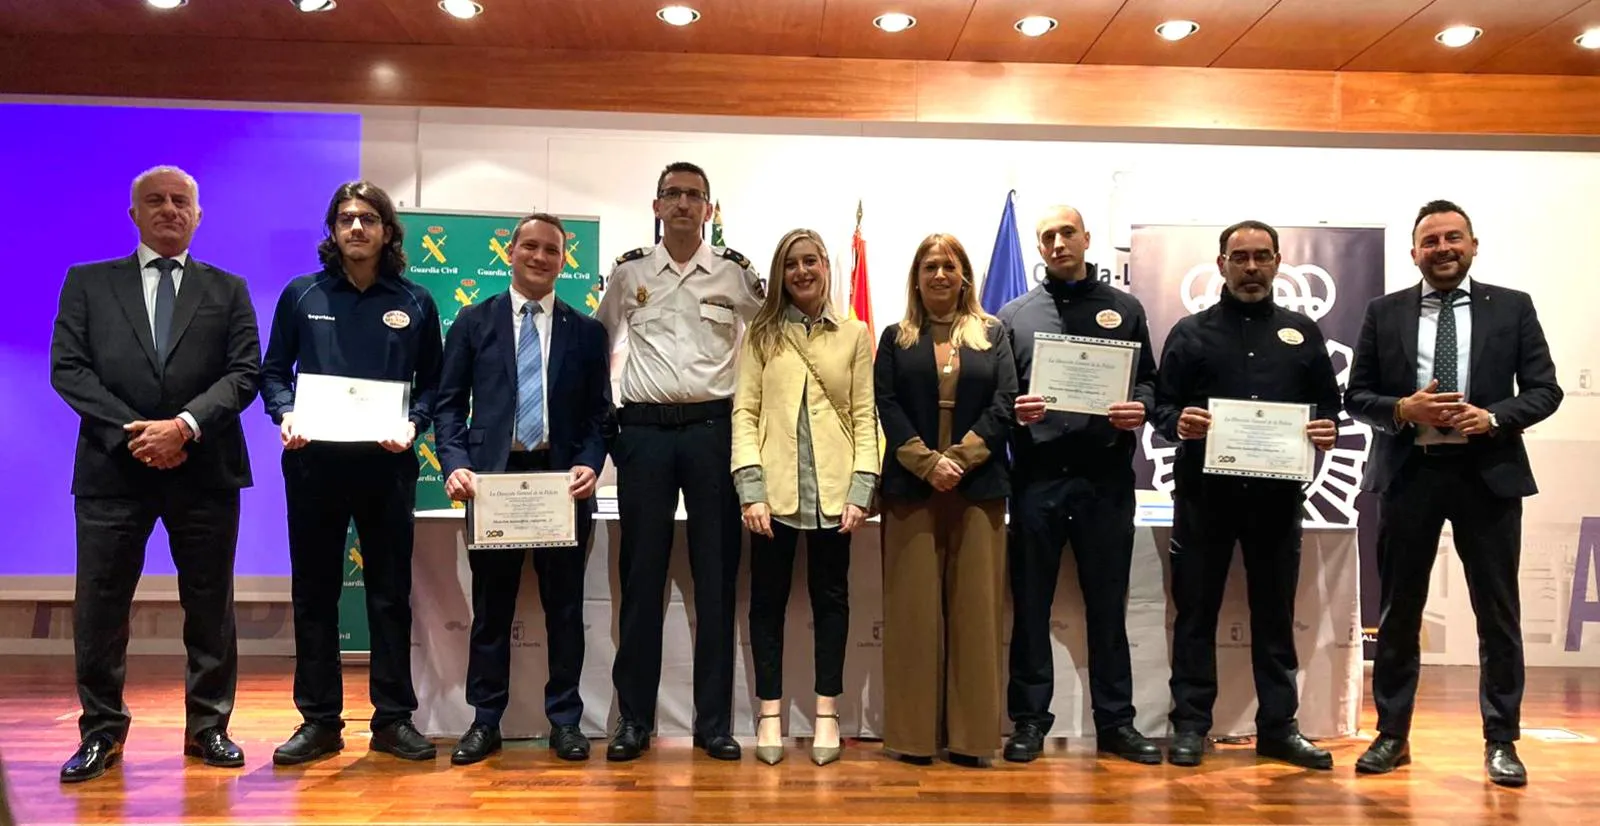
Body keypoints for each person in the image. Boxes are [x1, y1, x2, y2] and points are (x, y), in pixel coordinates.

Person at [50, 166, 260, 782]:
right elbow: (69, 369)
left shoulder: (230, 289)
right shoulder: (87, 283)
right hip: (114, 469)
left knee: (210, 604)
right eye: (155, 201)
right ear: (133, 215)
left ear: (198, 216)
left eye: (180, 202)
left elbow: (243, 372)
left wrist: (185, 427)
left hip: (205, 468)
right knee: (100, 606)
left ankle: (209, 727)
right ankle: (101, 732)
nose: (169, 210)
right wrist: (138, 432)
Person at [1345, 200, 1561, 787]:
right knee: (1398, 613)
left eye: (1453, 238)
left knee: (1497, 614)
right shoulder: (1382, 311)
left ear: (1472, 245)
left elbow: (1545, 390)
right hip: (1409, 473)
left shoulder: (1512, 308)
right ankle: (1392, 736)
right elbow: (1356, 395)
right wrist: (1400, 409)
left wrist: (1492, 419)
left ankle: (1502, 741)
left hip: (1486, 476)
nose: (1443, 249)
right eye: (1430, 241)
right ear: (1414, 252)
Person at [261, 181, 443, 765]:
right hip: (313, 462)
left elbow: (435, 384)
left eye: (368, 218)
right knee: (314, 594)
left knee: (390, 595)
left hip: (387, 465)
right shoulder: (300, 294)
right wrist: (284, 414)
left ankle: (392, 719)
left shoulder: (416, 301)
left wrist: (414, 423)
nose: (356, 228)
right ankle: (319, 722)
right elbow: (273, 372)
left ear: (388, 231)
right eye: (345, 219)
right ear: (333, 231)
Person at [1152, 220, 1341, 770]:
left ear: (1279, 262)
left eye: (1261, 257)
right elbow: (1162, 408)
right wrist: (1177, 422)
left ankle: (1279, 728)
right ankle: (1190, 726)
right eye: (1241, 257)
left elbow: (1328, 408)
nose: (1251, 267)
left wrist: (1324, 428)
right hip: (1203, 499)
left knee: (1275, 615)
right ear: (1221, 265)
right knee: (1195, 614)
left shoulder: (1302, 333)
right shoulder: (1189, 332)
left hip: (1276, 500)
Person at [596, 161, 764, 761]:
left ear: (710, 210)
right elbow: (598, 348)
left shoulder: (737, 276)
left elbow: (770, 344)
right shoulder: (628, 273)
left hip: (713, 434)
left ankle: (713, 723)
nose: (685, 204)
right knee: (641, 581)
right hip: (643, 435)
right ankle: (633, 722)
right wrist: (607, 431)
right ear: (657, 205)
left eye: (696, 196)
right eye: (675, 194)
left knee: (715, 581)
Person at [434, 213, 612, 765]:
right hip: (494, 486)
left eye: (551, 250)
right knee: (491, 610)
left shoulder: (587, 332)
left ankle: (565, 720)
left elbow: (600, 416)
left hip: (562, 488)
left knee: (564, 610)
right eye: (529, 246)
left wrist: (589, 463)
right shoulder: (472, 321)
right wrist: (456, 464)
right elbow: (447, 407)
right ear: (509, 251)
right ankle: (485, 720)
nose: (539, 257)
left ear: (565, 260)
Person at [998, 205, 1161, 765]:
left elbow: (1150, 384)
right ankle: (1028, 722)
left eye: (1067, 233)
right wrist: (1017, 410)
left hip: (1105, 480)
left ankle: (1116, 723)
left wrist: (1139, 406)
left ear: (1087, 239)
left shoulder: (1126, 309)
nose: (1058, 243)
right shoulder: (1014, 315)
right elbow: (1001, 399)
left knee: (1107, 609)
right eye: (1047, 236)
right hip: (1037, 481)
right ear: (1039, 248)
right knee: (1031, 608)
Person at [731, 229, 878, 767]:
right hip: (773, 495)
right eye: (791, 263)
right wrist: (751, 490)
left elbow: (866, 416)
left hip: (836, 497)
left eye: (810, 260)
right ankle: (768, 714)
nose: (801, 271)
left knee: (831, 601)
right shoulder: (762, 334)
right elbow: (744, 414)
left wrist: (862, 489)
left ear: (825, 266)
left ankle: (827, 712)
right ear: (779, 272)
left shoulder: (855, 333)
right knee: (766, 604)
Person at [875, 233, 1016, 767]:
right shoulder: (895, 338)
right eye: (930, 266)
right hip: (912, 490)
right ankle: (911, 738)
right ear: (916, 277)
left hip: (978, 489)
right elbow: (884, 402)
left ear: (965, 276)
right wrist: (926, 462)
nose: (939, 275)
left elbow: (1005, 401)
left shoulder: (993, 334)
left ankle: (973, 739)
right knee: (912, 617)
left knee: (976, 617)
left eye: (949, 266)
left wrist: (962, 456)